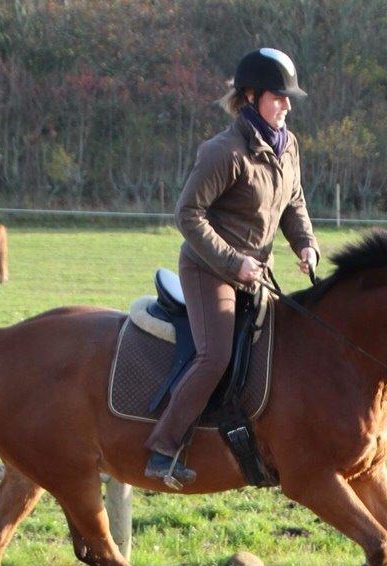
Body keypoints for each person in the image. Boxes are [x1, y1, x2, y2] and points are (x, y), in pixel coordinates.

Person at [144, 47, 319, 486]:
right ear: (251, 96)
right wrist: (232, 261)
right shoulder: (223, 152)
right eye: (279, 97)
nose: (287, 105)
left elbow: (293, 201)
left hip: (256, 272)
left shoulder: (288, 144)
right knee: (215, 356)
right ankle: (162, 449)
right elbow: (188, 215)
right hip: (210, 271)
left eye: (288, 98)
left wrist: (306, 244)